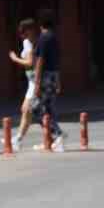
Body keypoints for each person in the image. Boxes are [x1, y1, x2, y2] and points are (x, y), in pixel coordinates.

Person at [29, 12, 65, 151]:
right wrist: (59, 81)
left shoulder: (43, 38)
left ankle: (58, 134)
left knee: (36, 108)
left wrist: (37, 83)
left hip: (45, 77)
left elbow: (40, 61)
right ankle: (50, 141)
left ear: (41, 24)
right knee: (49, 109)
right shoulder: (55, 38)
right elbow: (58, 60)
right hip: (54, 76)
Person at [7, 18, 36, 150]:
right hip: (31, 81)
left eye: (23, 33)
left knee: (27, 110)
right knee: (27, 110)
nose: (22, 36)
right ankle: (17, 139)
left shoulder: (30, 43)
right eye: (21, 33)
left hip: (36, 81)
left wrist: (15, 59)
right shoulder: (27, 42)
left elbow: (30, 62)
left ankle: (17, 139)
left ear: (29, 31)